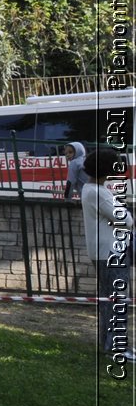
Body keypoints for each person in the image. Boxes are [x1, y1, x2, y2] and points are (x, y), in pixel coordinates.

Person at [82, 147, 132, 360]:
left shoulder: (90, 189)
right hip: (112, 252)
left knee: (108, 300)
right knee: (118, 300)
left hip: (102, 251)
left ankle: (108, 343)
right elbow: (127, 221)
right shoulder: (99, 192)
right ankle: (117, 347)